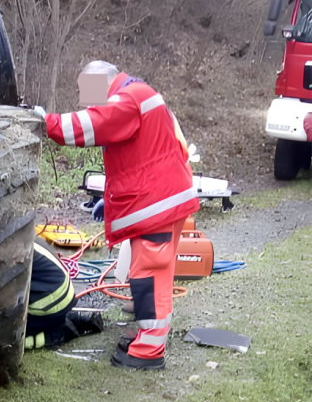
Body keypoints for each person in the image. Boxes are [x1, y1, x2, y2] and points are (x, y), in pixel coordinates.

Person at [33, 60, 199, 370]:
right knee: (150, 276)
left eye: (86, 92)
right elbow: (142, 152)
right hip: (164, 199)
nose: (85, 101)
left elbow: (93, 124)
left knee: (149, 278)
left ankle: (148, 350)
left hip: (158, 204)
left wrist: (46, 123)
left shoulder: (128, 99)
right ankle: (147, 336)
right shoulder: (139, 95)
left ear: (100, 82)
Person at [25, 239, 103, 350]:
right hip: (58, 288)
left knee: (9, 339)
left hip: (51, 298)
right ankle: (61, 320)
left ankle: (58, 333)